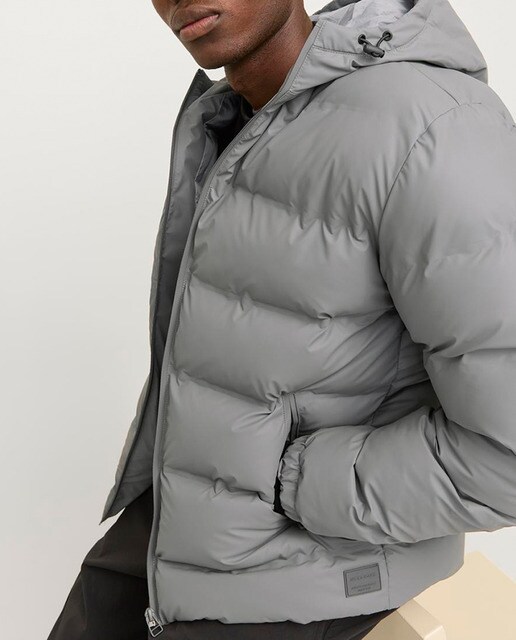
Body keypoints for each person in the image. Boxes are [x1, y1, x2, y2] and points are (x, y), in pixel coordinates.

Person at [48, 0, 516, 638]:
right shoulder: (242, 117)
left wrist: (296, 482)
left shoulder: (429, 125)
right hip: (172, 527)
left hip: (299, 575)